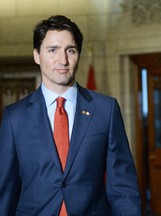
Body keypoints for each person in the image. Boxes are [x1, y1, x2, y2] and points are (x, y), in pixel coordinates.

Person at [0, 15, 141, 215]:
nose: (63, 60)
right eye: (52, 50)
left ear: (79, 55)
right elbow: (5, 191)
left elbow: (123, 186)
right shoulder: (15, 117)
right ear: (37, 55)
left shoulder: (105, 110)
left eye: (70, 50)